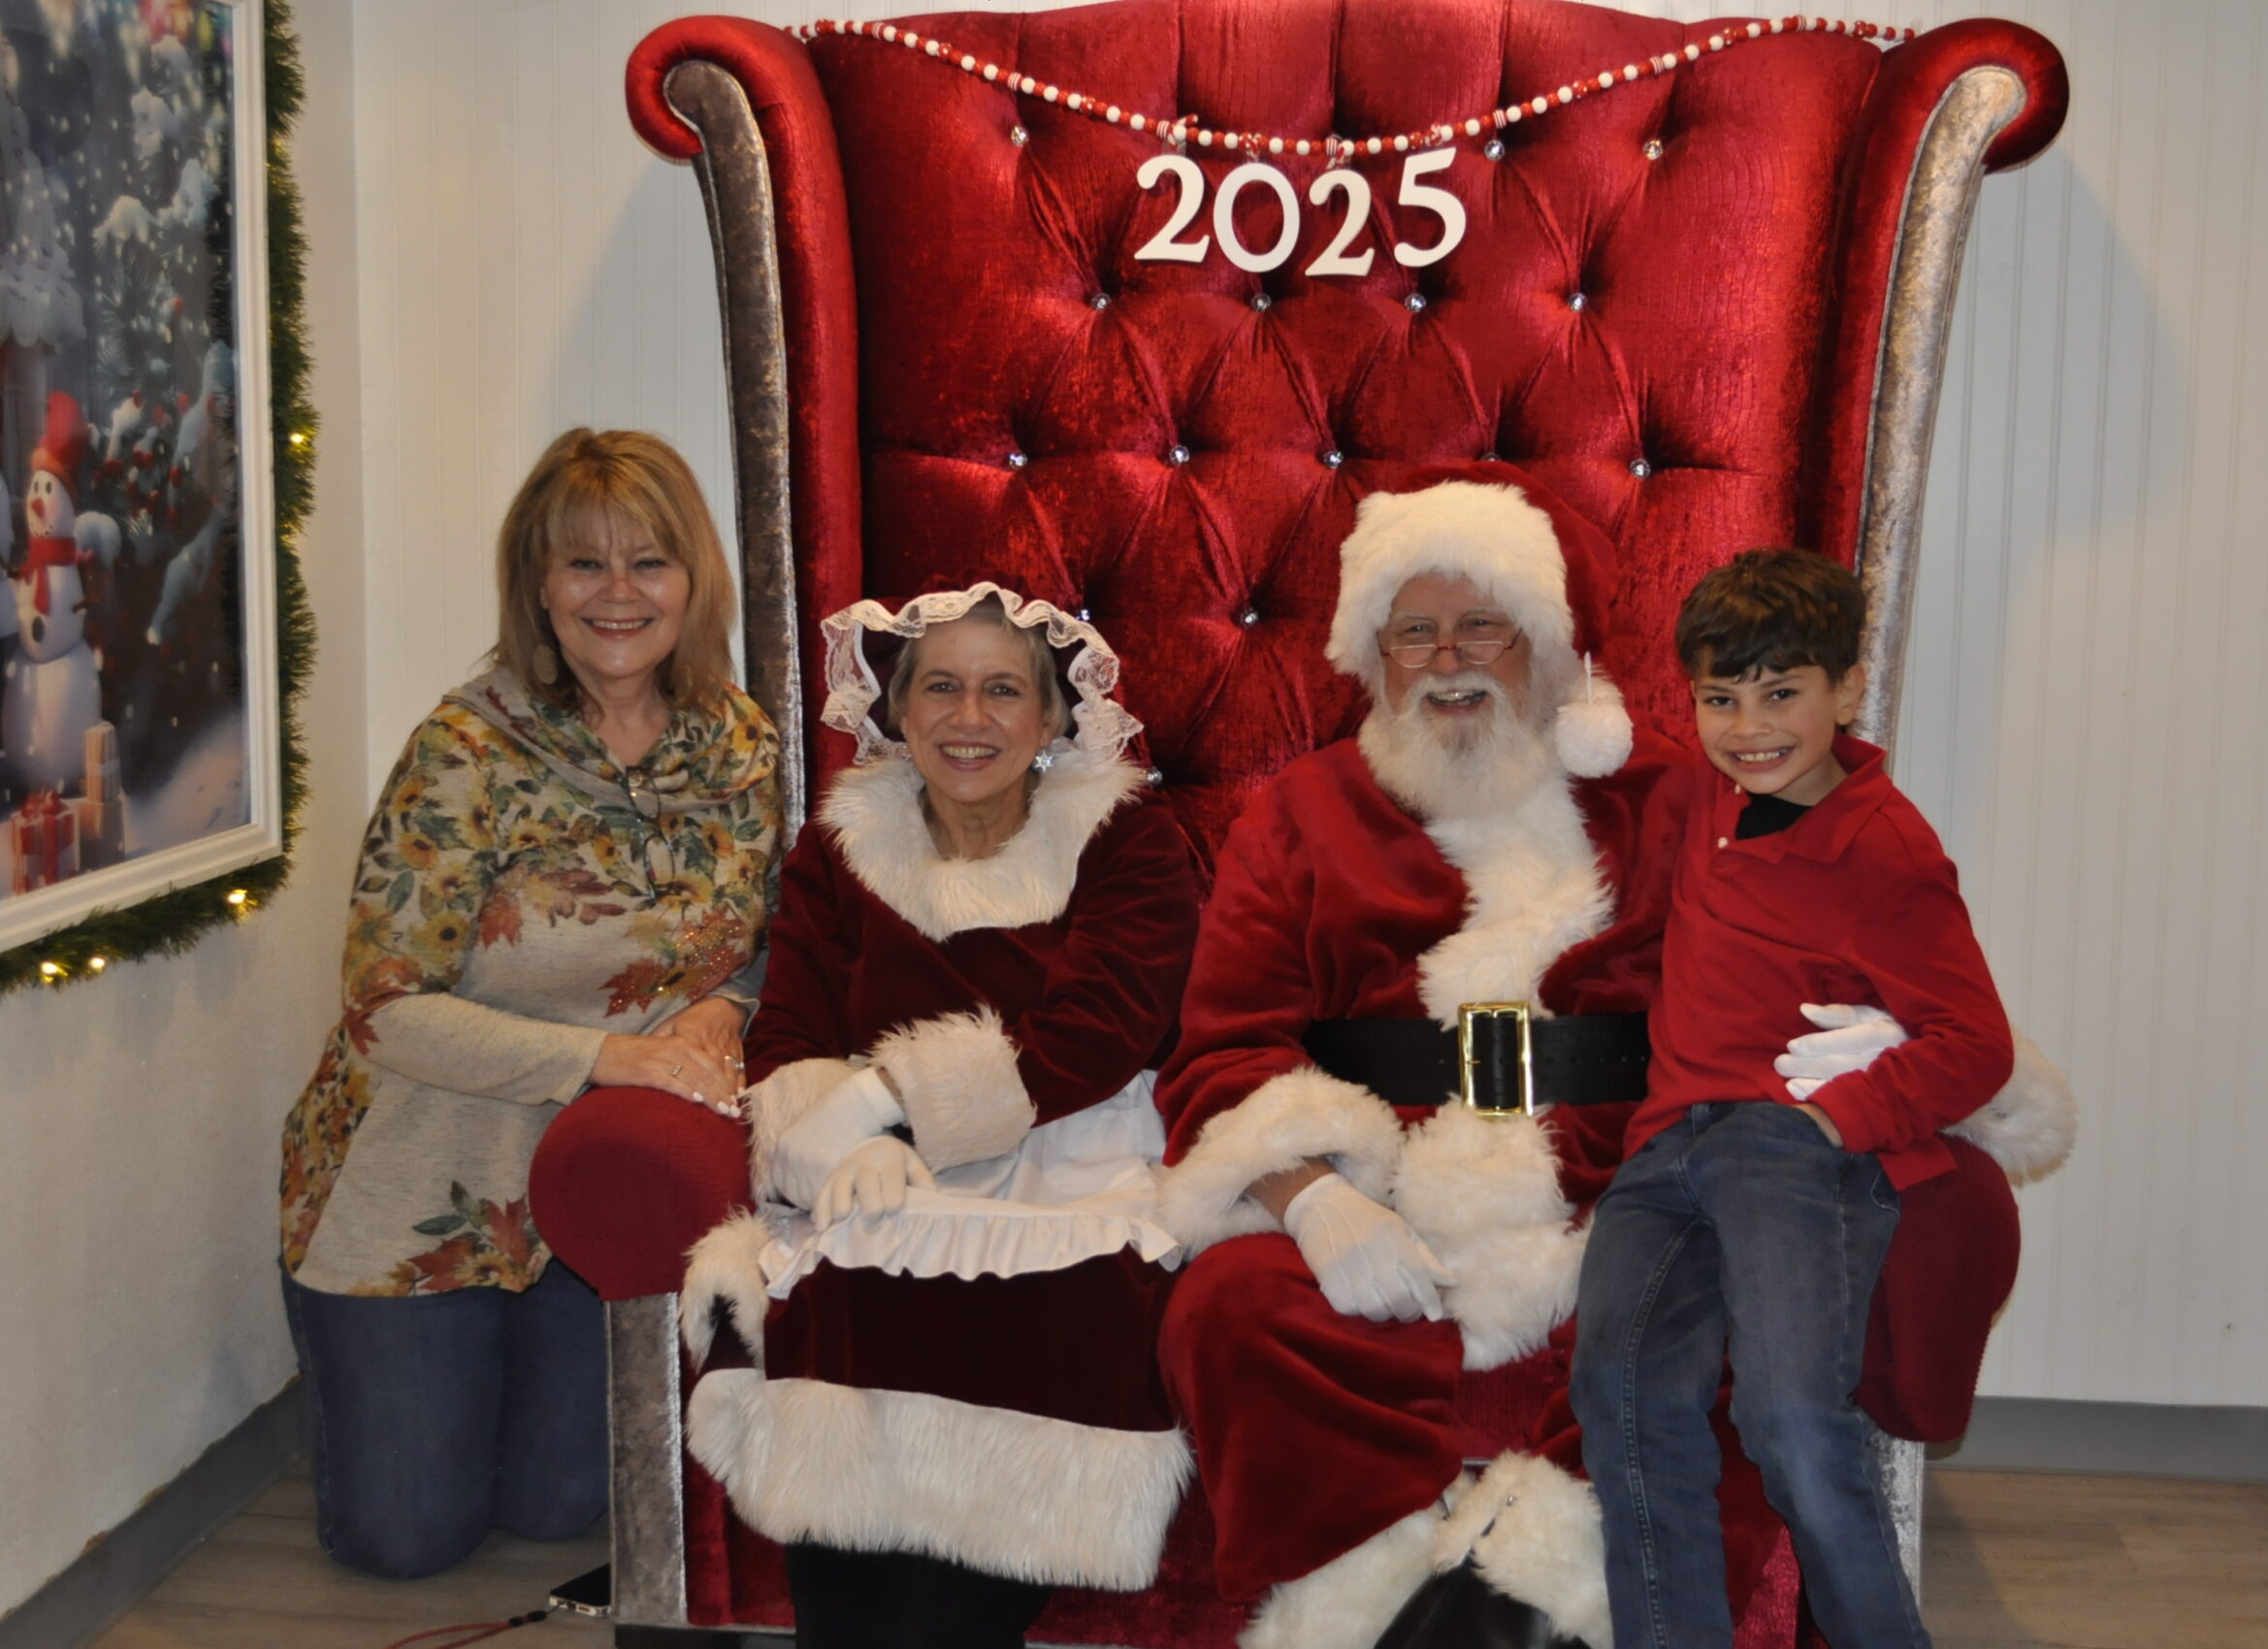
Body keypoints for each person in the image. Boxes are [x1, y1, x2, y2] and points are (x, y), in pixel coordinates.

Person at [1151, 466, 2071, 1649]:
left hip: (1625, 1178)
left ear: (1548, 641)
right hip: (1386, 1194)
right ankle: (1360, 1604)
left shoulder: (1677, 793)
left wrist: (1891, 1033)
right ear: (1369, 653)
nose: (1446, 658)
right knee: (1229, 1304)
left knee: (1727, 1319)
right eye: (1412, 630)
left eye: (1482, 624)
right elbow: (1223, 1041)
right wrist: (1308, 1193)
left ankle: (1522, 1609)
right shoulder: (1301, 809)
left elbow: (1832, 907)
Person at [274, 428, 782, 1579]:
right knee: (407, 1540)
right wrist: (613, 1055)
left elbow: (762, 938)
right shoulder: (466, 749)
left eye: (648, 561)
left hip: (588, 1193)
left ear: (692, 578)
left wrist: (727, 1007)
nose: (617, 593)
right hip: (418, 1178)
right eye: (582, 563)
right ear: (537, 586)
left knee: (561, 1510)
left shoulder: (738, 741)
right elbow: (385, 1009)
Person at [676, 584, 1201, 1649]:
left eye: (1004, 690)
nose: (970, 718)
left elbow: (1098, 1035)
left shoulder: (1128, 836)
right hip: (873, 1173)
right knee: (848, 1289)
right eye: (941, 687)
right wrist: (824, 1143)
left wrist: (884, 1103)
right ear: (896, 708)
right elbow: (790, 1029)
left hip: (1070, 1158)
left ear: (1052, 716)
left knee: (1039, 1311)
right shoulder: (839, 847)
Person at [1571, 549, 2012, 1649]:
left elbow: (1977, 1044)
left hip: (1785, 1150)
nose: (1750, 726)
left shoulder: (1885, 845)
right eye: (1721, 698)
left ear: (1847, 690)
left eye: (1782, 693)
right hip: (1663, 1151)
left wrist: (1836, 1118)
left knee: (1789, 1418)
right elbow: (1596, 755)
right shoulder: (1703, 795)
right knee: (1622, 1397)